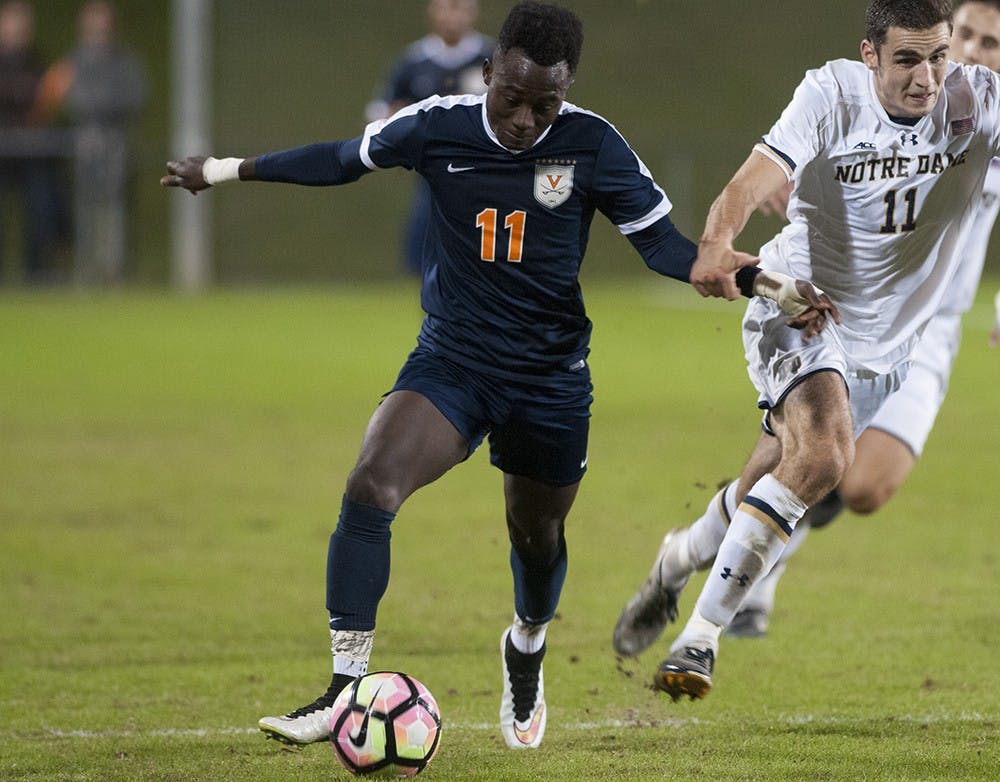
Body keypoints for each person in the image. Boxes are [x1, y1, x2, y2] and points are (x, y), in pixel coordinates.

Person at [161, 1, 832, 750]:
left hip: (550, 378)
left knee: (538, 536)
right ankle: (344, 690)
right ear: (489, 73)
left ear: (566, 90)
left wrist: (760, 283)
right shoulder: (436, 125)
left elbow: (669, 250)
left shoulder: (592, 144)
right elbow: (341, 160)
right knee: (369, 485)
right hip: (455, 361)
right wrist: (222, 170)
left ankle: (526, 646)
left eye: (545, 104)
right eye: (511, 98)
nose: (524, 120)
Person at [613, 0, 1000, 702]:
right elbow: (751, 180)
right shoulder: (829, 93)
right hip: (803, 306)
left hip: (897, 344)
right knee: (826, 456)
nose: (928, 78)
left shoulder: (981, 103)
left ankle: (677, 560)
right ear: (871, 55)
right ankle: (699, 639)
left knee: (779, 477)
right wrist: (716, 244)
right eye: (908, 60)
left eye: (939, 57)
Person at [722, 0, 1000, 639]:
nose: (978, 51)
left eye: (993, 41)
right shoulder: (894, 107)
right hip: (847, 315)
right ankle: (743, 561)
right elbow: (821, 144)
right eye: (969, 37)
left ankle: (741, 532)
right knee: (818, 459)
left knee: (865, 484)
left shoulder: (980, 115)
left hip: (931, 332)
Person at [366, 0, 495, 275]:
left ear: (473, 10)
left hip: (488, 169)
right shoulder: (413, 62)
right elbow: (382, 113)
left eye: (460, 6)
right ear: (432, 10)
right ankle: (430, 290)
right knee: (424, 236)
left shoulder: (493, 56)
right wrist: (396, 141)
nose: (453, 14)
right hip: (433, 170)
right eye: (447, 6)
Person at [35, 0, 146, 283]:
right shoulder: (72, 63)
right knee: (83, 207)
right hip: (83, 144)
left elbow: (135, 97)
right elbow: (60, 98)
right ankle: (85, 271)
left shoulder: (125, 62)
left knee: (116, 209)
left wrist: (102, 107)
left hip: (118, 144)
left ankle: (115, 271)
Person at [0, 0, 62, 283]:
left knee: (41, 210)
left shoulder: (35, 60)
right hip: (4, 150)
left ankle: (36, 275)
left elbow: (45, 98)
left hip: (30, 150)